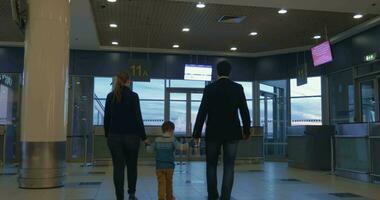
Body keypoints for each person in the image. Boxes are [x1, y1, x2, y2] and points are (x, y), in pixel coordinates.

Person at [193, 61, 251, 200]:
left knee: (211, 165)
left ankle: (213, 195)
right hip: (232, 132)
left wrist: (196, 133)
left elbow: (202, 111)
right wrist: (247, 130)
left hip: (213, 132)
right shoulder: (237, 88)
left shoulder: (210, 89)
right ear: (229, 72)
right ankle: (226, 196)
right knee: (229, 166)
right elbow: (244, 110)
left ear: (217, 72)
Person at [104, 71, 147, 200]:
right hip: (132, 137)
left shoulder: (110, 96)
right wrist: (144, 137)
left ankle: (119, 196)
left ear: (118, 81)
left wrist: (107, 134)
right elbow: (138, 118)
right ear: (128, 81)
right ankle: (132, 193)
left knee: (118, 167)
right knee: (132, 166)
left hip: (114, 137)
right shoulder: (134, 96)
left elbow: (107, 118)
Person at [154, 121, 177, 200]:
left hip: (159, 166)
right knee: (169, 183)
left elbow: (150, 149)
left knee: (161, 183)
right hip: (169, 166)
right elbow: (180, 147)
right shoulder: (172, 140)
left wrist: (147, 145)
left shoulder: (157, 140)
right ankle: (169, 197)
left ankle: (161, 198)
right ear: (171, 130)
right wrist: (188, 145)